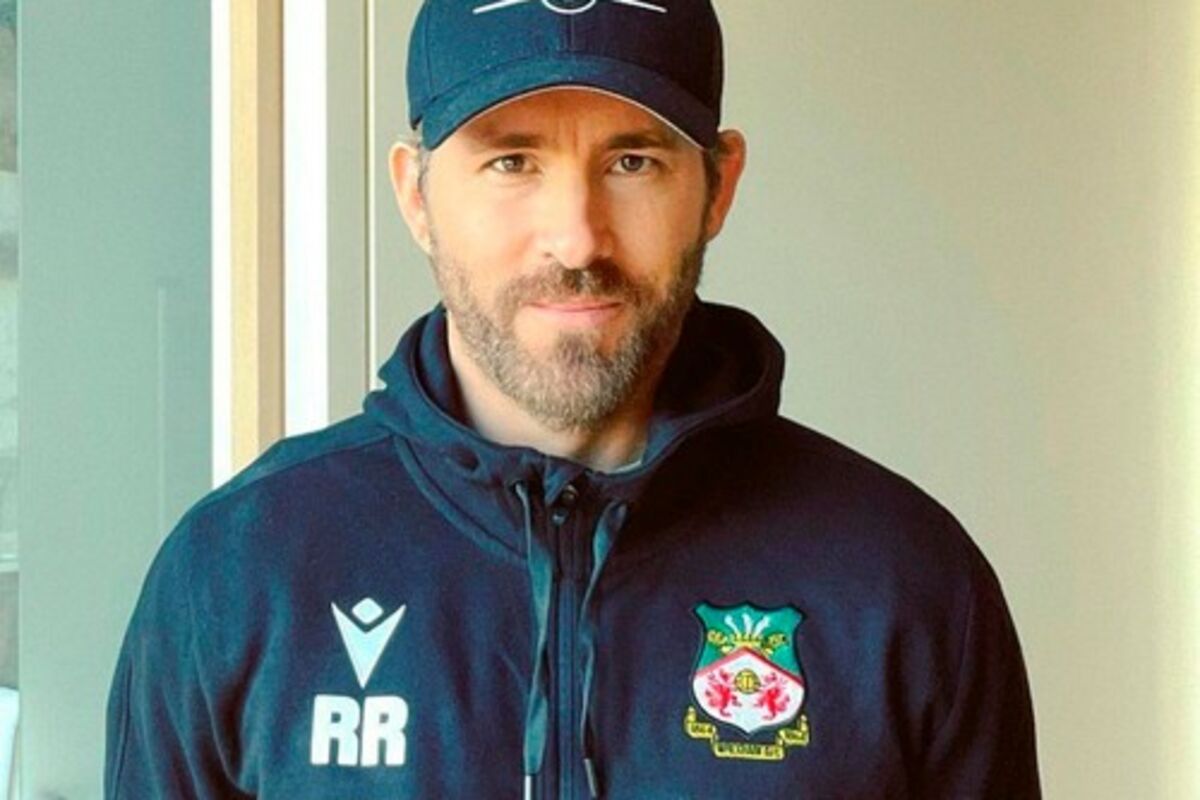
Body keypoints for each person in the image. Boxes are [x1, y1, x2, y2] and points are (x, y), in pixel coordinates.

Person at [106, 1, 1040, 797]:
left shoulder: (903, 583)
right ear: (416, 195)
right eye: (512, 162)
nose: (577, 237)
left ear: (718, 187)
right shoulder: (237, 576)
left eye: (632, 161)